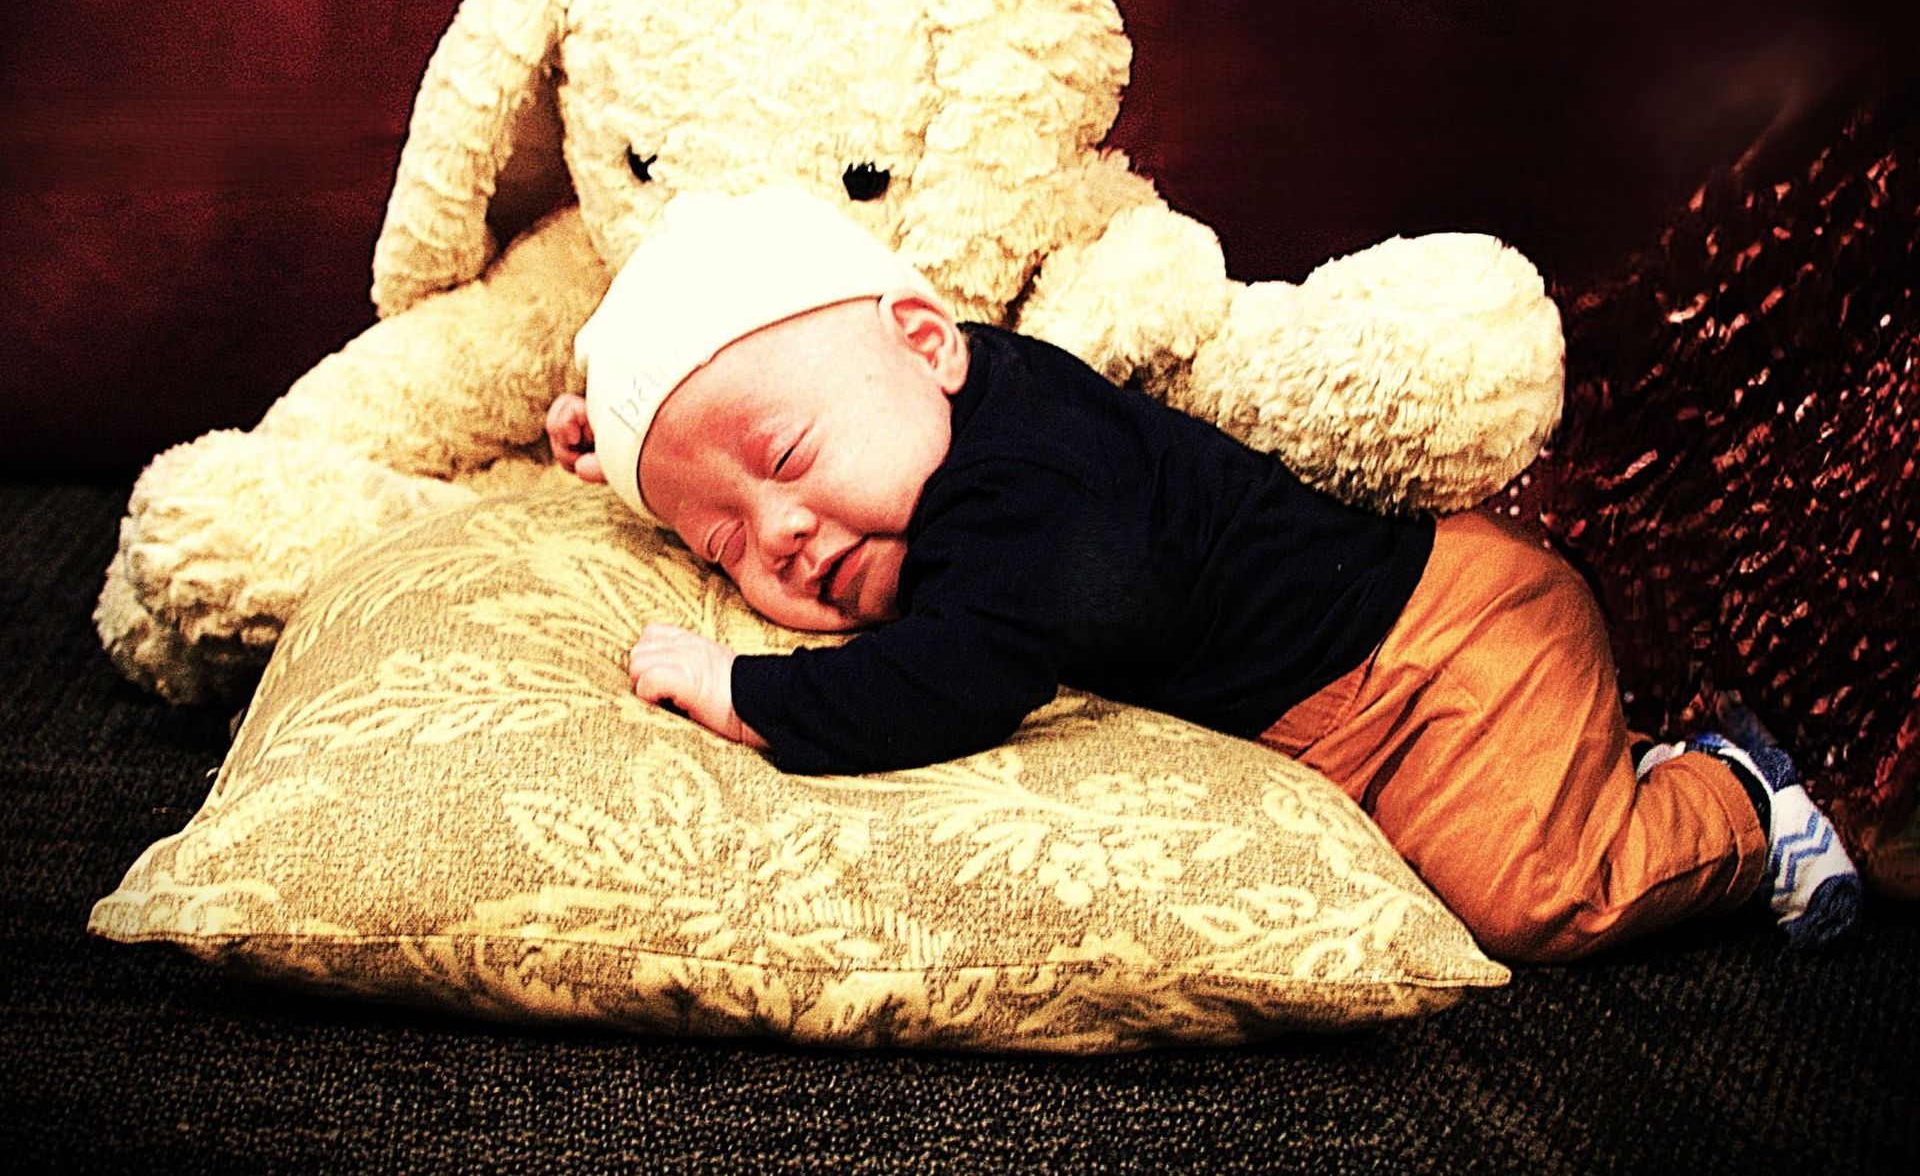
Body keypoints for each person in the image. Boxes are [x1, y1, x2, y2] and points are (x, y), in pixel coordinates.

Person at [546, 188, 1864, 962]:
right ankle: (1618, 763)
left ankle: (1735, 798)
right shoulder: (916, 425)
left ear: (928, 339)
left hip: (1442, 643)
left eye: (784, 458)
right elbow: (743, 416)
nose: (772, 535)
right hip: (1351, 688)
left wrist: (746, 690)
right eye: (719, 542)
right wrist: (618, 438)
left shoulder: (1028, 484)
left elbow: (953, 676)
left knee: (1524, 896)